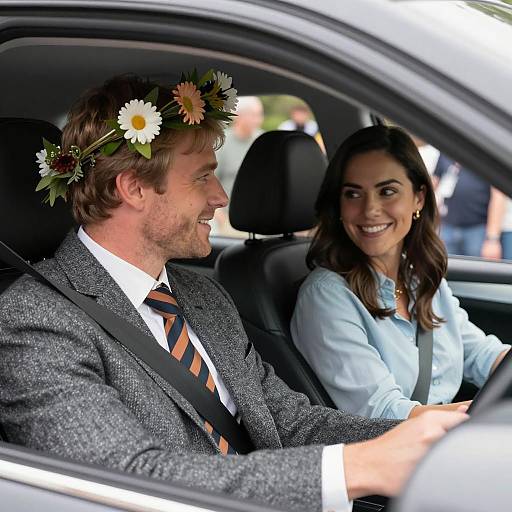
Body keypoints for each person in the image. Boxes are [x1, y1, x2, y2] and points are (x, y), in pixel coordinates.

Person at [0, 75, 466, 512]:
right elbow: (123, 478)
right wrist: (359, 467)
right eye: (202, 176)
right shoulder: (36, 320)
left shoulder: (202, 296)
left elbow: (289, 422)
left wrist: (426, 436)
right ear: (134, 187)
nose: (220, 196)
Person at [291, 125, 510, 421]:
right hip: (400, 452)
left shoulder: (419, 275)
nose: (370, 209)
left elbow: (480, 353)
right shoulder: (326, 296)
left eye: (388, 191)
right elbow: (385, 414)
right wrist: (484, 418)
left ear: (418, 198)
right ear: (339, 206)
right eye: (353, 194)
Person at [434, 155, 505, 259]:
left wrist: (492, 239)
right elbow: (433, 183)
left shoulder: (484, 155)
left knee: (477, 272)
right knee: (446, 270)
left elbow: (498, 197)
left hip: (477, 230)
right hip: (447, 228)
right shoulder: (446, 151)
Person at [214, 96, 264, 235]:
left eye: (260, 114)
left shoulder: (262, 140)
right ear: (238, 116)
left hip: (259, 216)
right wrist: (221, 218)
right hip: (226, 217)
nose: (259, 120)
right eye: (254, 115)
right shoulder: (220, 142)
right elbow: (208, 181)